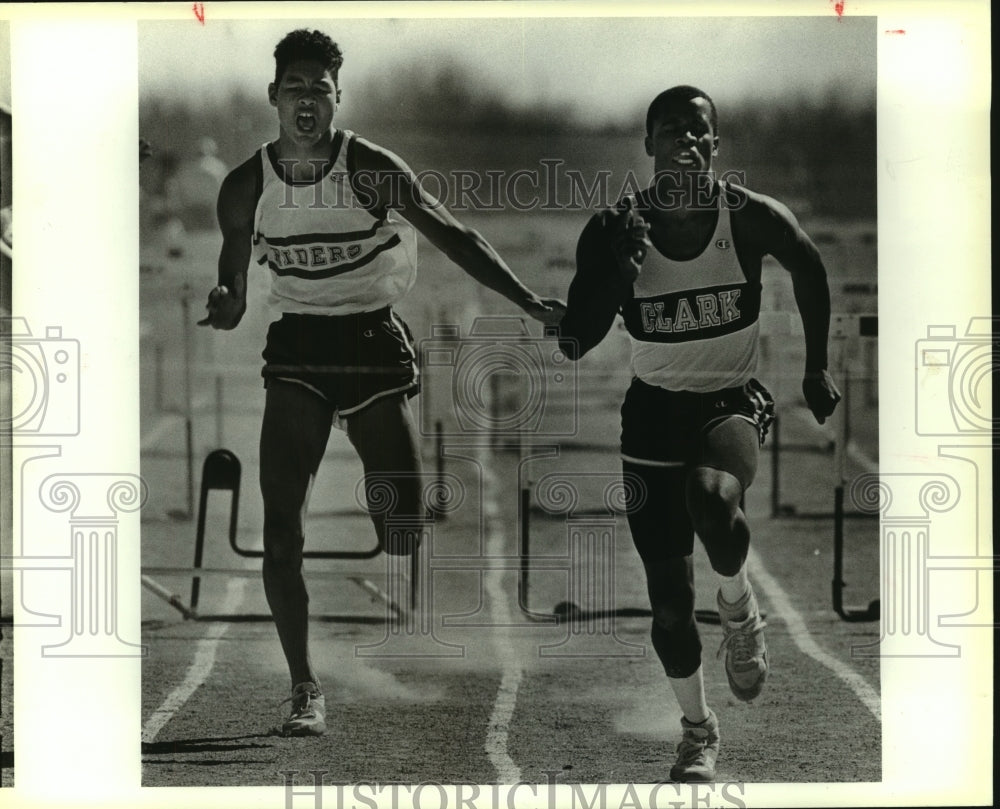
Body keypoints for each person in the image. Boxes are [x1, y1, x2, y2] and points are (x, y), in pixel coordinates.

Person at [199, 29, 565, 737]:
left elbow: (458, 236)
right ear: (274, 97)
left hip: (370, 341)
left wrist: (528, 302)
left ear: (339, 96)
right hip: (300, 349)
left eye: (321, 89)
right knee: (281, 530)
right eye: (295, 88)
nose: (308, 102)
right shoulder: (246, 186)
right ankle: (305, 687)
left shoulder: (370, 168)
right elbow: (236, 289)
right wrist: (222, 303)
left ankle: (389, 488)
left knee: (401, 528)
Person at [557, 85, 840, 782]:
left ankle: (741, 611)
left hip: (728, 400)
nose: (686, 141)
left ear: (715, 146)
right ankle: (697, 729)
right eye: (671, 130)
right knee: (668, 604)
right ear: (648, 145)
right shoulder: (617, 227)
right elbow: (576, 338)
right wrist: (615, 274)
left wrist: (816, 368)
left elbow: (809, 266)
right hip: (652, 412)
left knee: (714, 500)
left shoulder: (747, 219)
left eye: (699, 131)